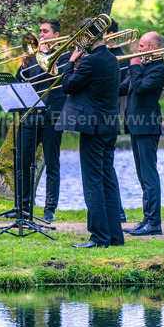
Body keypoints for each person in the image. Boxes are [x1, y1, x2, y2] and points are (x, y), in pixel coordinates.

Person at [55, 17, 124, 248]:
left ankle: (98, 237)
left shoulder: (90, 62)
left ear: (87, 35)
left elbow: (67, 85)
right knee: (107, 180)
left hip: (93, 127)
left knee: (93, 182)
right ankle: (115, 237)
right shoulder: (113, 59)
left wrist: (72, 61)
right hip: (110, 125)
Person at [17, 19, 71, 222]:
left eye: (45, 31)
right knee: (23, 162)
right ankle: (23, 207)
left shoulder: (65, 56)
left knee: (52, 164)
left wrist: (49, 55)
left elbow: (64, 81)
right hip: (30, 115)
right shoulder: (32, 56)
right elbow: (20, 81)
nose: (41, 34)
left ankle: (50, 209)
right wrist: (24, 63)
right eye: (40, 31)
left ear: (56, 35)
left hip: (52, 116)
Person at [120, 31, 164, 236]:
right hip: (136, 125)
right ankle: (147, 219)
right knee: (142, 176)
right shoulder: (144, 67)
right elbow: (123, 88)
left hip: (148, 126)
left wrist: (135, 67)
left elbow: (139, 88)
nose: (136, 50)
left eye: (140, 46)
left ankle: (154, 223)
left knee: (149, 176)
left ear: (152, 48)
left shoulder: (159, 69)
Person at [102, 20, 129, 224]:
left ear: (110, 34)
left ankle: (117, 211)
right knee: (103, 167)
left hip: (108, 114)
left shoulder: (121, 57)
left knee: (106, 167)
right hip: (100, 114)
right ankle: (114, 211)